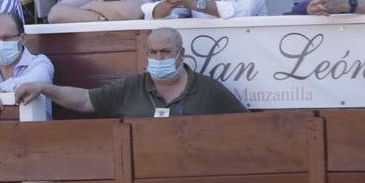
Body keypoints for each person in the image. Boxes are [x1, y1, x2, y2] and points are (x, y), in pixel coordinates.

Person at [15, 26, 247, 115]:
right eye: (153, 52)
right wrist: (44, 88)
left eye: (165, 52)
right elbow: (85, 99)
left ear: (181, 54)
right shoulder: (132, 87)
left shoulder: (208, 89)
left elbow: (244, 126)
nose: (158, 57)